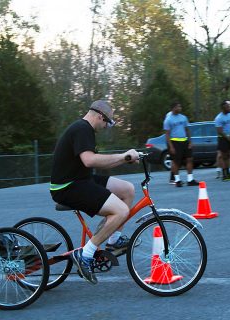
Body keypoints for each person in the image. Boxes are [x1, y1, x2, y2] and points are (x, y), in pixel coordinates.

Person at [50, 100, 139, 285]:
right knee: (121, 211)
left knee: (128, 190)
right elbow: (90, 160)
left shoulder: (85, 129)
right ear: (100, 116)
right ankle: (86, 254)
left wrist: (125, 159)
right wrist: (123, 156)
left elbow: (92, 163)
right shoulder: (82, 129)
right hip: (67, 187)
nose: (106, 126)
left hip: (82, 179)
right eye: (107, 122)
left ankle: (113, 239)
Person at [163, 102, 199, 187]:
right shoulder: (168, 120)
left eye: (180, 106)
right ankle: (177, 180)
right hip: (175, 142)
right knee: (176, 161)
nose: (180, 108)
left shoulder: (183, 118)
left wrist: (190, 141)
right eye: (178, 107)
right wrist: (171, 146)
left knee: (189, 159)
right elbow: (167, 134)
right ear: (173, 108)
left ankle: (190, 179)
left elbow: (187, 130)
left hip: (184, 141)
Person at [215, 100, 230, 181]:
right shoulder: (219, 118)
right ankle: (224, 174)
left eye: (229, 106)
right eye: (227, 107)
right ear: (223, 108)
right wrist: (228, 138)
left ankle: (228, 173)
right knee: (224, 156)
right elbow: (219, 131)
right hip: (223, 139)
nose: (229, 108)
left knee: (229, 155)